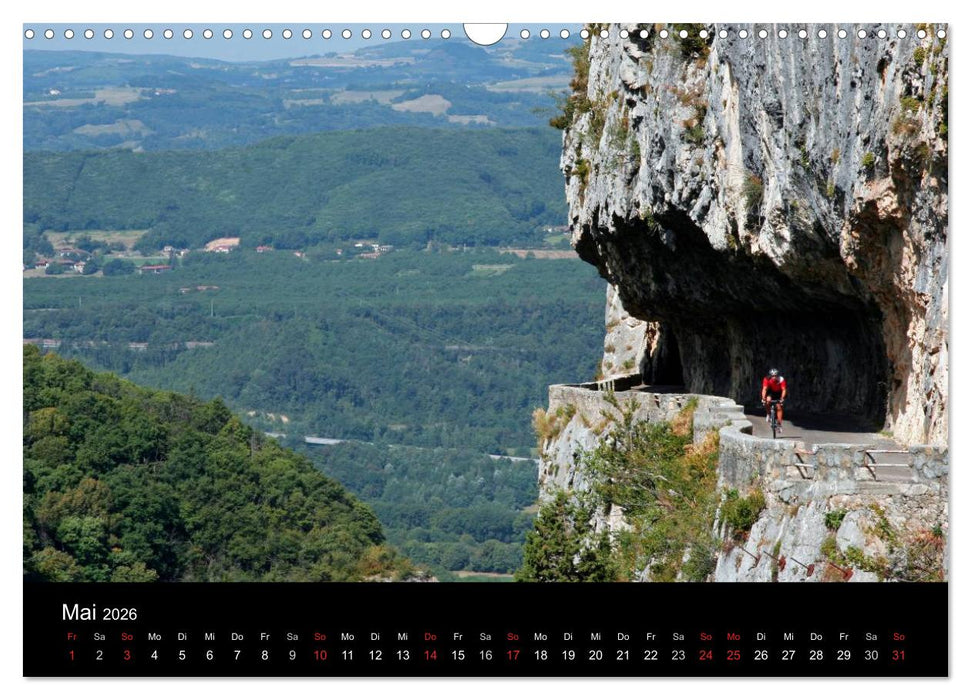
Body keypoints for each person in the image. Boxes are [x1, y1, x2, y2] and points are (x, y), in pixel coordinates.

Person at [761, 368, 787, 434]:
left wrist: (782, 398)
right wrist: (763, 398)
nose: (774, 377)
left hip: (779, 392)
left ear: (778, 375)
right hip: (770, 392)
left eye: (776, 375)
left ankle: (779, 424)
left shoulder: (781, 379)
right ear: (770, 376)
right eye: (772, 376)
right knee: (768, 400)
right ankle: (769, 414)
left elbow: (784, 390)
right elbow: (764, 389)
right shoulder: (766, 379)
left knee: (779, 407)